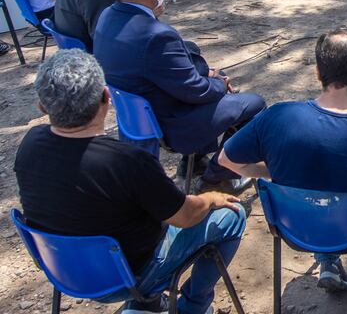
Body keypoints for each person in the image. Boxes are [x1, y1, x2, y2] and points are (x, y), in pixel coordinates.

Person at [15, 49, 246, 314]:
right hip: (131, 276)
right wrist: (209, 198)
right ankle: (191, 306)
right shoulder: (128, 161)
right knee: (233, 214)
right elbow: (185, 216)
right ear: (106, 97)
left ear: (42, 106)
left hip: (63, 270)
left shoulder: (30, 144)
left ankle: (145, 306)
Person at [220, 30, 347, 300]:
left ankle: (328, 261)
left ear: (318, 72)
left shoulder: (276, 116)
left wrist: (270, 172)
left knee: (313, 180)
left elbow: (225, 159)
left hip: (296, 227)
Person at [93, 0, 266, 191]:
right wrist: (219, 83)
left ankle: (193, 165)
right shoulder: (156, 35)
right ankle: (216, 177)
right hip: (172, 120)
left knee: (214, 82)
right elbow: (197, 90)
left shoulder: (107, 16)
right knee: (255, 105)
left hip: (141, 112)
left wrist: (208, 74)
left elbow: (166, 70)